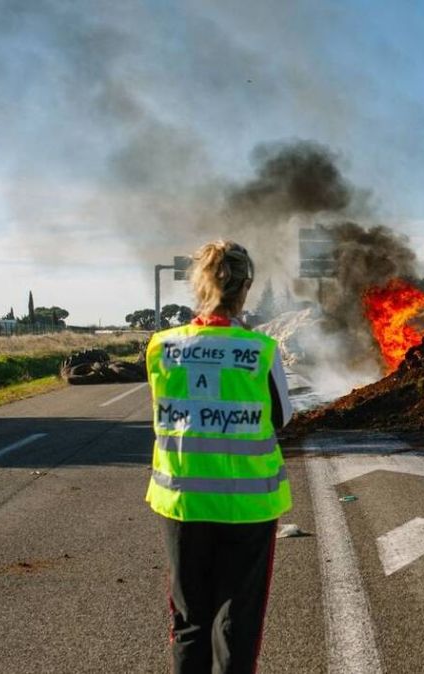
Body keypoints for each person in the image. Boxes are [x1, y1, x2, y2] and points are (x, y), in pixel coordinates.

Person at [145, 239, 293, 674]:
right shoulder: (260, 351)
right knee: (237, 624)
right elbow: (281, 416)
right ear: (245, 287)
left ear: (199, 284)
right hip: (248, 507)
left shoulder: (161, 347)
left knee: (190, 621)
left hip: (184, 503)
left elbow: (165, 409)